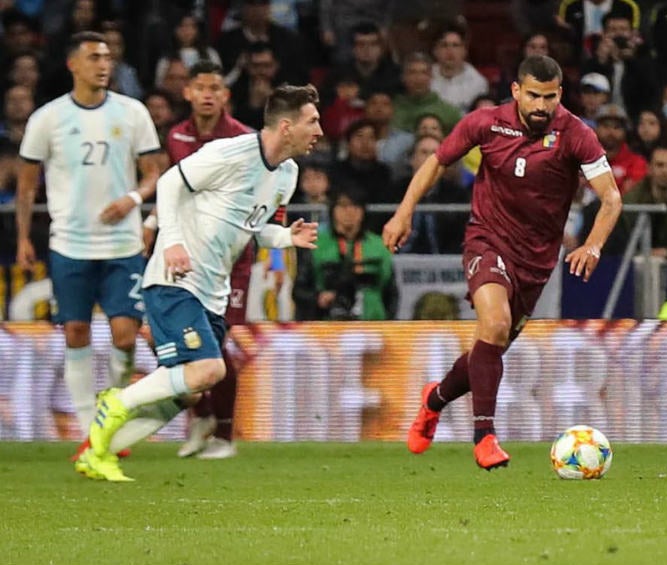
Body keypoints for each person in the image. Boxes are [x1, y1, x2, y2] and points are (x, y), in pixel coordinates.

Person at [384, 55, 622, 470]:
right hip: (487, 240)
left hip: (536, 261)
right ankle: (485, 438)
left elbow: (612, 197)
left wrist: (594, 245)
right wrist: (403, 212)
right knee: (492, 325)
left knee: (490, 346)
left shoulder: (575, 134)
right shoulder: (484, 123)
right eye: (533, 95)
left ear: (559, 95)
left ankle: (433, 399)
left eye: (549, 97)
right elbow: (437, 161)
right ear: (516, 90)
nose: (540, 106)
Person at [76, 84, 322, 482]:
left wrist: (285, 238)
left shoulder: (286, 174)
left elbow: (256, 228)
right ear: (286, 125)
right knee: (209, 370)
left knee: (189, 390)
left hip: (213, 292)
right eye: (312, 121)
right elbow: (171, 183)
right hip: (175, 279)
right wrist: (170, 241)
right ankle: (114, 405)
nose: (320, 130)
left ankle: (99, 450)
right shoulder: (231, 152)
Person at [16, 31, 163, 452]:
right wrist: (25, 237)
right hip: (70, 244)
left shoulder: (132, 113)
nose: (104, 64)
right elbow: (27, 187)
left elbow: (154, 170)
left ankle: (110, 412)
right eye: (94, 57)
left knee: (123, 334)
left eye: (107, 56)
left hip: (122, 244)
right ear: (73, 65)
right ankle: (91, 430)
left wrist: (132, 198)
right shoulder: (48, 118)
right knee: (76, 330)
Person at [160, 60, 253, 460]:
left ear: (226, 95)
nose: (208, 94)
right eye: (201, 87)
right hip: (191, 252)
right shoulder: (176, 135)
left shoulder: (244, 138)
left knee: (215, 340)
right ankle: (202, 417)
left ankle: (224, 436)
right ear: (188, 93)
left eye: (215, 86)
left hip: (233, 255)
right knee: (182, 338)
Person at [293, 189, 398, 321]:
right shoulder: (315, 245)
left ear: (363, 211)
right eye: (343, 205)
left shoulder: (379, 246)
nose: (349, 211)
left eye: (355, 206)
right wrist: (319, 298)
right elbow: (299, 291)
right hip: (327, 326)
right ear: (333, 209)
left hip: (374, 326)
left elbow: (391, 293)